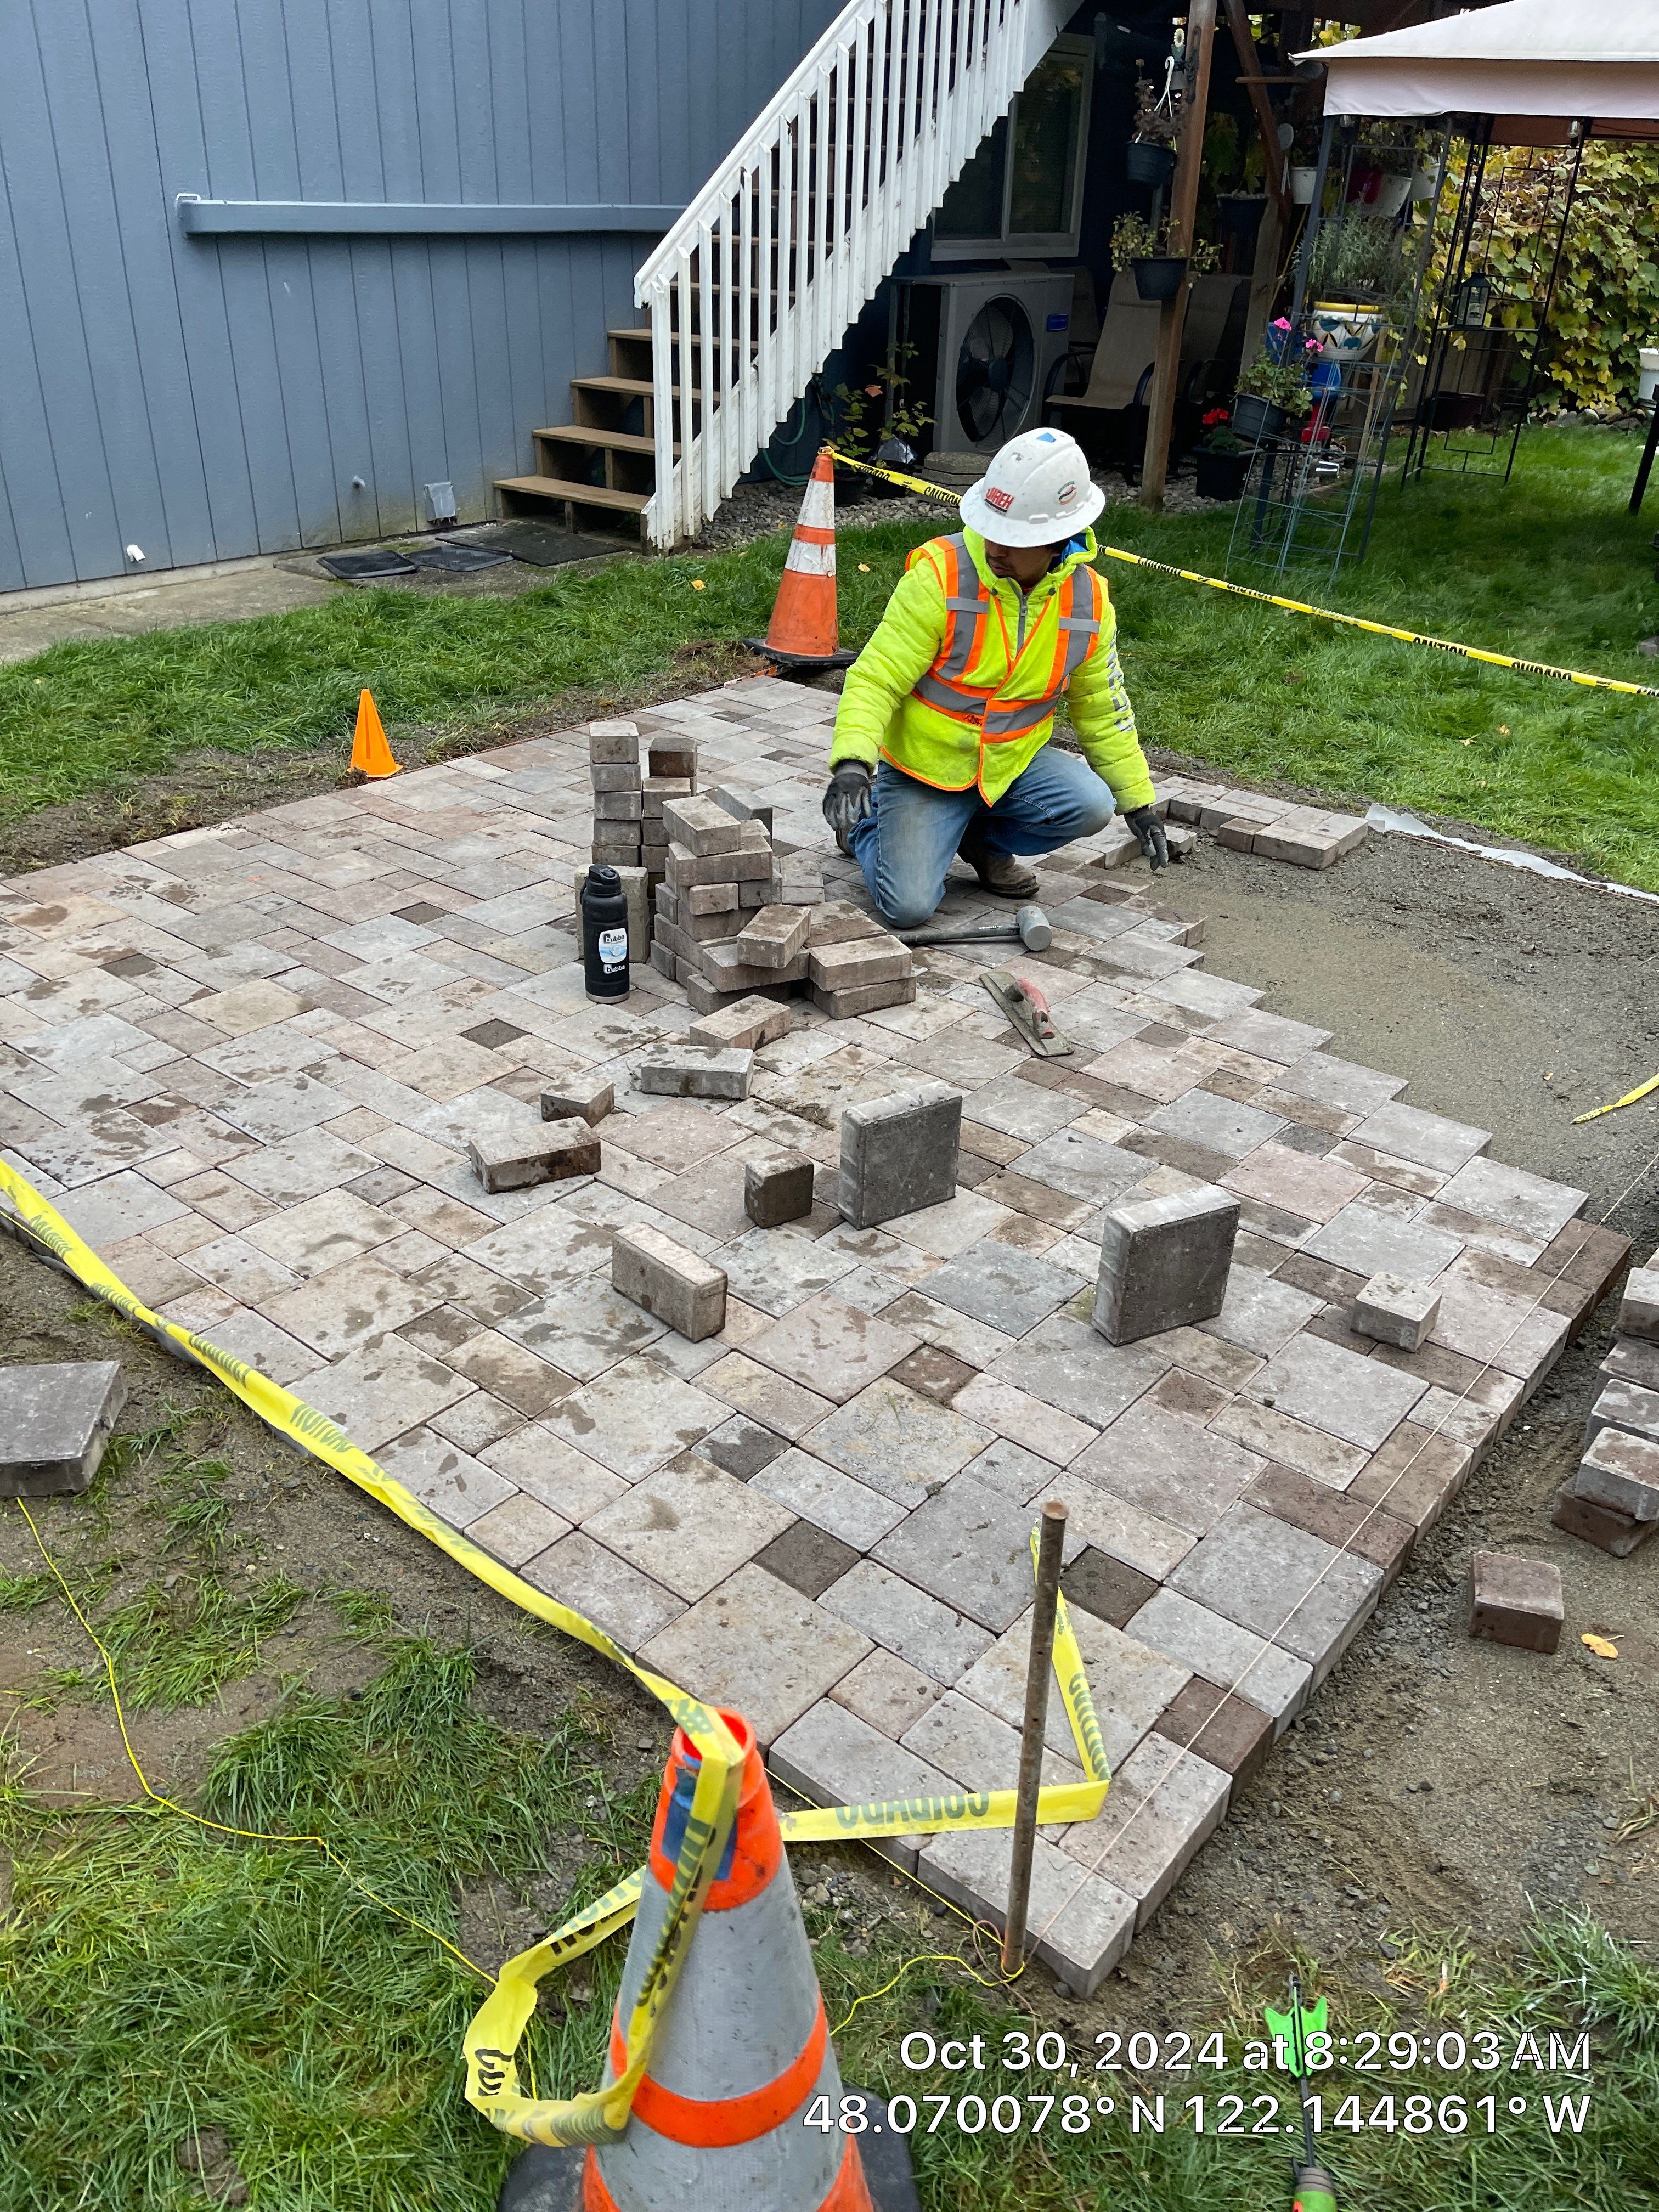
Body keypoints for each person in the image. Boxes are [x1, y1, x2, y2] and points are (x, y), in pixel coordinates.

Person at [822, 426, 1166, 927]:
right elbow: (877, 678)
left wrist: (1138, 803)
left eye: (1011, 540)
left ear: (1056, 542)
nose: (993, 548)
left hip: (1009, 766)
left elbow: (1103, 712)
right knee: (909, 908)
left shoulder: (1089, 603)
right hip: (926, 769)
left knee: (1093, 805)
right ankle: (866, 829)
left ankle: (979, 842)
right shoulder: (940, 575)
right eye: (992, 530)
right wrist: (853, 763)